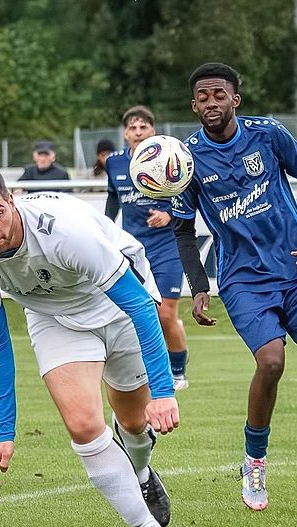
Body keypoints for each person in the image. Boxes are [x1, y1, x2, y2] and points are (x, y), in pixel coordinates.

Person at [0, 161, 182, 527]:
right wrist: (4, 432)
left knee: (131, 422)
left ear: (11, 201)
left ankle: (142, 472)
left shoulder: (66, 233)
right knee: (81, 424)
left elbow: (142, 308)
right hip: (55, 319)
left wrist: (163, 392)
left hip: (118, 305)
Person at [173, 63, 297, 514]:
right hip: (242, 279)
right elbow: (183, 231)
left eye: (219, 94)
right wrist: (198, 286)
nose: (211, 102)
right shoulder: (186, 161)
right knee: (271, 362)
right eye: (203, 97)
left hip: (293, 268)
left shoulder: (268, 135)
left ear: (235, 99)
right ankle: (254, 462)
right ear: (194, 106)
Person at [105, 106, 190, 390]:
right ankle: (147, 371)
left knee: (166, 314)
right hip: (132, 248)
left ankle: (178, 372)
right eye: (132, 128)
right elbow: (112, 199)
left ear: (152, 131)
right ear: (125, 133)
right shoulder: (115, 163)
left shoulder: (169, 156)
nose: (138, 132)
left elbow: (189, 199)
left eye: (143, 127)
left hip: (167, 246)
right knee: (139, 311)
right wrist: (105, 230)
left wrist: (169, 215)